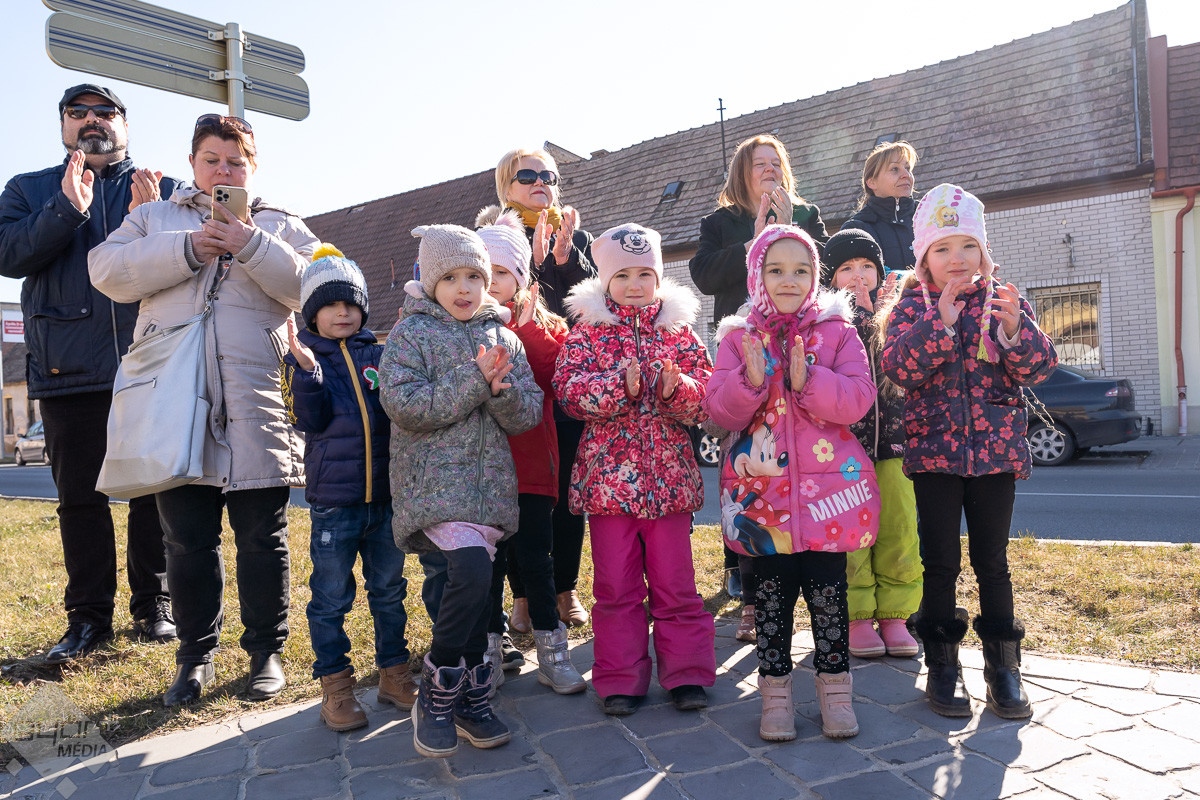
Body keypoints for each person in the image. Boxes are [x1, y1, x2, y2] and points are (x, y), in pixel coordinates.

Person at [89, 113, 318, 705]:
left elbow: (313, 288)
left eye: (235, 163)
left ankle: (266, 653)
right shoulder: (154, 217)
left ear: (252, 168)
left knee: (262, 536)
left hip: (254, 398)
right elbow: (106, 270)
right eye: (212, 160)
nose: (223, 172)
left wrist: (251, 243)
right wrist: (187, 248)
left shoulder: (280, 223)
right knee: (186, 540)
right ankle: (194, 658)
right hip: (173, 401)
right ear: (192, 163)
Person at [0, 84, 177, 663]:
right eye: (77, 113)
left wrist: (152, 220)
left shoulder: (162, 187)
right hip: (67, 368)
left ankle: (155, 605)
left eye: (105, 112)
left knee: (155, 495)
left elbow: (195, 263)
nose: (91, 120)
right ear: (63, 125)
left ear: (125, 124)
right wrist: (65, 209)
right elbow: (8, 256)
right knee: (80, 501)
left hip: (149, 364)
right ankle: (88, 617)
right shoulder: (28, 189)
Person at [879, 183, 1057, 720]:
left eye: (967, 246)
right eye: (943, 248)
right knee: (940, 562)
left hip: (996, 455)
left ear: (984, 251)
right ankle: (942, 663)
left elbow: (1039, 368)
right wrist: (940, 322)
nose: (957, 258)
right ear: (924, 259)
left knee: (992, 562)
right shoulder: (912, 307)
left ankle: (1004, 667)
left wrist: (1014, 329)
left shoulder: (1003, 302)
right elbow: (899, 369)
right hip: (935, 456)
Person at [704, 225, 879, 741]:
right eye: (776, 269)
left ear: (815, 276)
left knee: (829, 598)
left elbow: (859, 398)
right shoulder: (736, 338)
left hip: (829, 502)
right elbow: (719, 411)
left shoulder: (837, 332)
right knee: (771, 600)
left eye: (801, 270)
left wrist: (809, 382)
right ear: (756, 276)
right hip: (764, 502)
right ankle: (775, 694)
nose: (789, 280)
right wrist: (751, 382)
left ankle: (836, 691)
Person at [379, 224, 542, 759]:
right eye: (450, 277)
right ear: (430, 282)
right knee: (470, 573)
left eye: (475, 275)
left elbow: (527, 414)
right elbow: (405, 406)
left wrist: (500, 390)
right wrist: (474, 381)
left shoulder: (504, 337)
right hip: (435, 488)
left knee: (479, 591)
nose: (465, 287)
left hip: (488, 492)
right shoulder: (411, 334)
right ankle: (438, 685)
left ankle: (471, 698)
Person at [553, 223, 716, 717]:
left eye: (645, 274)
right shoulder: (587, 333)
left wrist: (675, 389)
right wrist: (616, 388)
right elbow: (568, 393)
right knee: (616, 588)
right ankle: (621, 679)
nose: (635, 284)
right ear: (606, 281)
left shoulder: (679, 332)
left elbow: (707, 397)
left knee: (676, 585)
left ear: (658, 278)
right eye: (622, 275)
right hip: (609, 489)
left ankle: (687, 673)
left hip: (669, 484)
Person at [688, 133, 830, 643]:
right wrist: (756, 242)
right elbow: (704, 275)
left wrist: (792, 230)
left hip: (801, 354)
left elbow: (824, 271)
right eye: (758, 163)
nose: (768, 170)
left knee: (796, 465)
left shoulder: (807, 214)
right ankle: (745, 580)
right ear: (742, 174)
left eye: (776, 162)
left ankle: (804, 570)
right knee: (746, 466)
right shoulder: (720, 222)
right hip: (745, 355)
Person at [281, 246, 415, 731]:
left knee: (389, 591)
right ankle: (336, 686)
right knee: (331, 597)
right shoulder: (302, 361)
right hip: (335, 506)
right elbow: (308, 419)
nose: (343, 313)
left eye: (351, 304)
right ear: (312, 313)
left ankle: (394, 673)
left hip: (385, 500)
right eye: (331, 305)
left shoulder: (376, 353)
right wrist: (308, 374)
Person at [476, 210, 586, 696]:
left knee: (537, 559)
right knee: (488, 564)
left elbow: (556, 376)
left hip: (532, 469)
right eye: (482, 272)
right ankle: (489, 649)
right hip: (480, 471)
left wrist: (525, 329)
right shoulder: (461, 324)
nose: (490, 282)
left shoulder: (544, 323)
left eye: (502, 272)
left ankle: (552, 650)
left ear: (520, 279)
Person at [491, 147, 595, 629]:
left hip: (564, 380)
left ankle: (565, 588)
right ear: (506, 186)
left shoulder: (577, 238)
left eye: (549, 176)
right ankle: (522, 596)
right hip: (512, 387)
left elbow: (593, 306)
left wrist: (565, 260)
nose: (541, 183)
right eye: (528, 175)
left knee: (567, 494)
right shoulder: (493, 235)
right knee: (518, 497)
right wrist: (530, 264)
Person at [821, 229, 921, 658]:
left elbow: (901, 366)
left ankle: (896, 615)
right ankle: (858, 616)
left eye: (867, 266)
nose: (858, 275)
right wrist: (859, 319)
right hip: (846, 452)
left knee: (899, 530)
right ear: (830, 279)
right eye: (846, 268)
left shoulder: (897, 314)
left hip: (896, 447)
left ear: (881, 274)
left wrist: (877, 318)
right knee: (851, 534)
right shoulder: (828, 322)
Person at [843, 141, 919, 273]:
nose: (906, 175)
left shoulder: (929, 216)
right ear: (872, 182)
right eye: (895, 169)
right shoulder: (856, 229)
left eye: (907, 168)